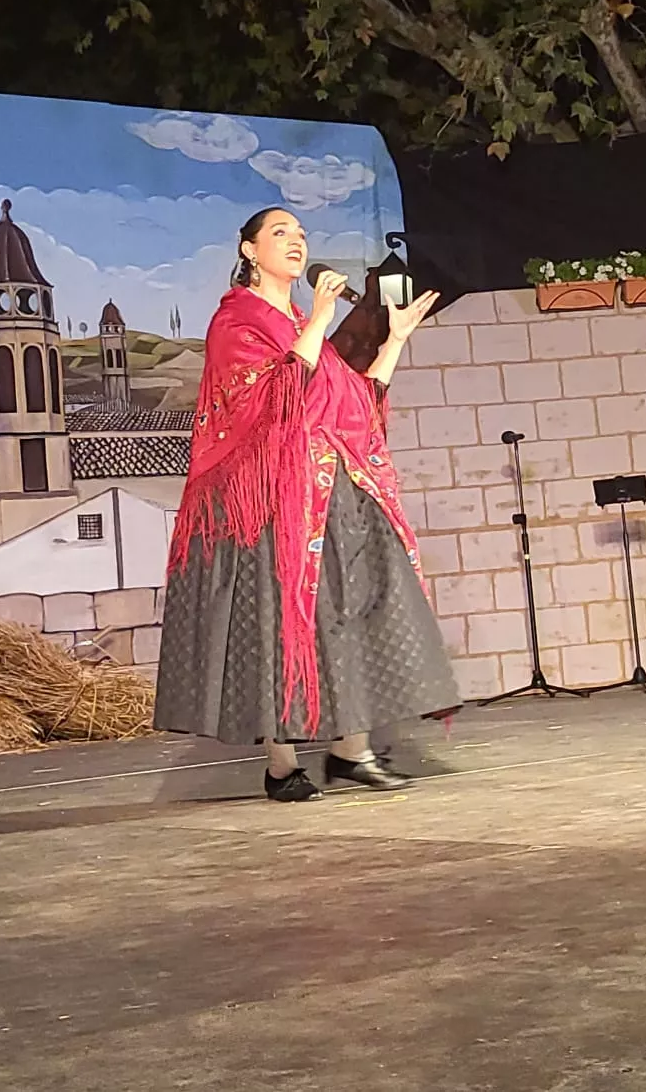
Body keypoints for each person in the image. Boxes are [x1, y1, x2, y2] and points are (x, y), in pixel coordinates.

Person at [153, 207, 460, 802]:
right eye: (279, 234)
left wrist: (393, 341)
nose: (295, 243)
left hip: (330, 494)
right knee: (276, 620)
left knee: (347, 610)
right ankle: (281, 762)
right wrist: (320, 317)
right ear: (249, 251)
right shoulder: (236, 323)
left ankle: (351, 751)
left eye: (300, 234)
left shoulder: (300, 319)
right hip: (271, 503)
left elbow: (354, 405)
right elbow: (272, 403)